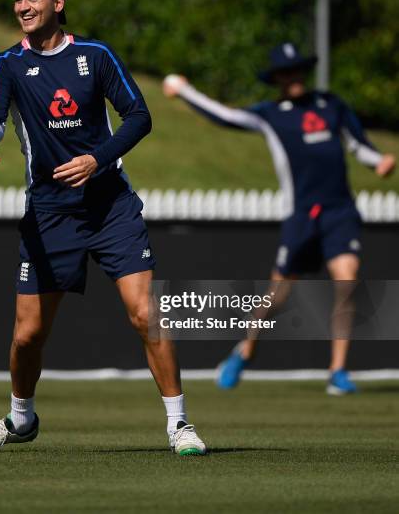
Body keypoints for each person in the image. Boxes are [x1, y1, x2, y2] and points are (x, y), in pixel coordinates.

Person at [0, 0, 205, 456]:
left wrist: (99, 158)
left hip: (110, 205)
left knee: (145, 314)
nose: (23, 6)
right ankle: (21, 419)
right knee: (28, 336)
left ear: (58, 2)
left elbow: (140, 116)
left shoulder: (96, 55)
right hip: (49, 215)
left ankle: (179, 425)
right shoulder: (6, 64)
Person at [163, 43, 395, 395]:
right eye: (287, 72)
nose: (294, 76)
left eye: (298, 69)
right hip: (301, 214)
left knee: (347, 279)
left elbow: (358, 143)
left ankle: (338, 371)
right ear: (277, 79)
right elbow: (226, 116)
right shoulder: (271, 114)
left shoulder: (331, 105)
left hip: (339, 210)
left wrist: (377, 162)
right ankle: (245, 349)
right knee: (277, 296)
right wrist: (184, 91)